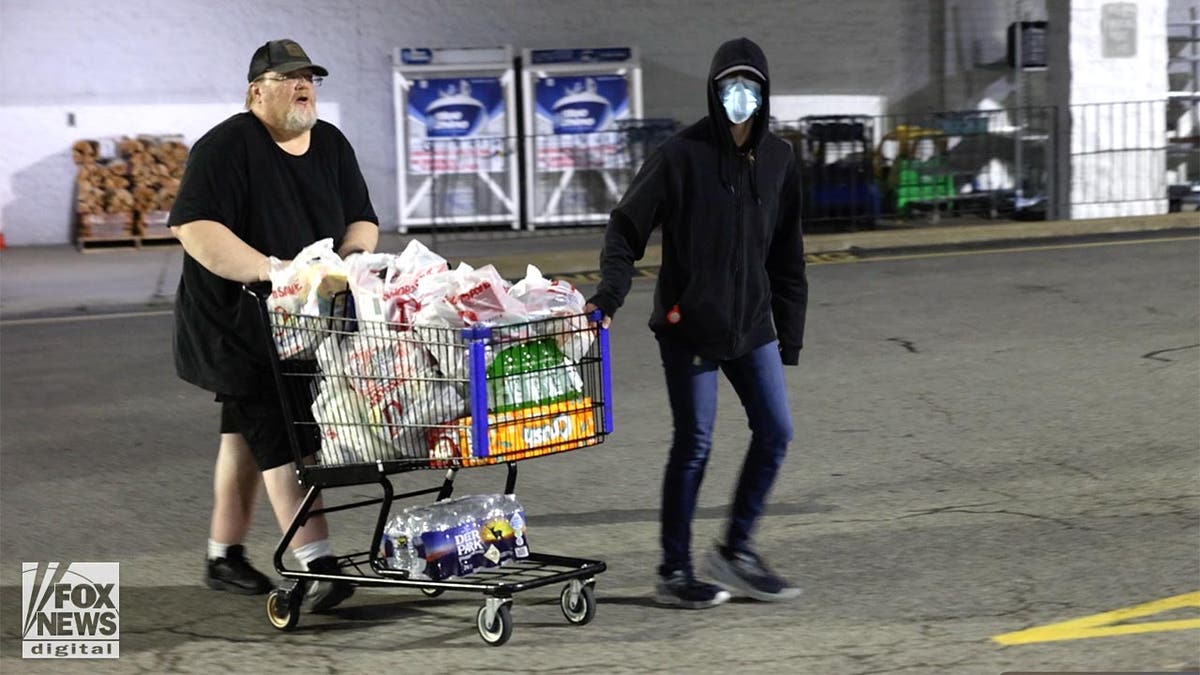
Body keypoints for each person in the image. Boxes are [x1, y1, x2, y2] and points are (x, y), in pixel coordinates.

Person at [585, 37, 808, 609]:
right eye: (730, 85)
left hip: (751, 326)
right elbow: (624, 228)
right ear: (714, 90)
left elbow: (787, 253)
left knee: (777, 430)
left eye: (750, 86)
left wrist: (790, 330)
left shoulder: (780, 159)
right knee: (695, 444)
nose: (740, 96)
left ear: (764, 92)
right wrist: (609, 294)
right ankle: (674, 569)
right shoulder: (679, 155)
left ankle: (735, 551)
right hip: (690, 326)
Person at [169, 39, 379, 612]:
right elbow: (194, 227)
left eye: (308, 76)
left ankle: (223, 556)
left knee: (245, 435)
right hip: (236, 322)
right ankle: (317, 562)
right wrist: (274, 272)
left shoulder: (331, 143)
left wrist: (351, 261)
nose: (302, 84)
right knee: (283, 433)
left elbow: (362, 217)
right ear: (256, 90)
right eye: (288, 77)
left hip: (305, 321)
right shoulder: (226, 146)